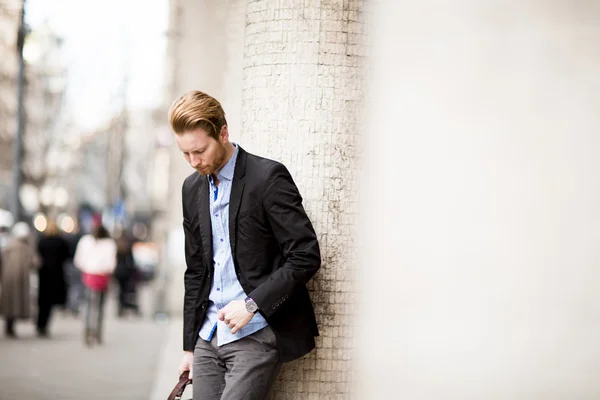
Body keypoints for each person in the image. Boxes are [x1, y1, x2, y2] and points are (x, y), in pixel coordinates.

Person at [170, 90, 321, 399]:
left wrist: (252, 305)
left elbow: (305, 255)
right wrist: (189, 347)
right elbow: (196, 269)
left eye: (199, 151)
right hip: (208, 335)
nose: (193, 161)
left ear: (223, 132)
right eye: (185, 153)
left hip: (256, 333)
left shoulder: (267, 177)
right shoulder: (191, 188)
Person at [74, 221, 116, 345]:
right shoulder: (109, 244)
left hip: (89, 276)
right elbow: (111, 264)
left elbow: (78, 261)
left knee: (88, 305)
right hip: (102, 277)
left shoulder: (85, 241)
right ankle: (97, 332)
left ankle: (87, 331)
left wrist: (88, 267)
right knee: (100, 307)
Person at [0, 222, 39, 338]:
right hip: (21, 280)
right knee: (16, 303)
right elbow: (36, 263)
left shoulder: (7, 247)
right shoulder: (27, 248)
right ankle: (11, 327)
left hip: (7, 278)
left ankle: (9, 326)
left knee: (9, 303)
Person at [36, 218, 70, 337]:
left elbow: (38, 253)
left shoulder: (42, 240)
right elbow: (67, 255)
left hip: (44, 273)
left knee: (42, 301)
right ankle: (44, 325)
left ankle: (40, 323)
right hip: (55, 274)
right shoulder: (60, 241)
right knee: (49, 302)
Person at [114, 233, 140, 317]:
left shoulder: (118, 247)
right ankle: (123, 306)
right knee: (125, 290)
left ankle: (120, 307)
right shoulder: (128, 247)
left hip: (118, 272)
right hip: (126, 272)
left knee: (120, 291)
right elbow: (131, 261)